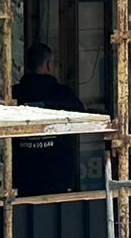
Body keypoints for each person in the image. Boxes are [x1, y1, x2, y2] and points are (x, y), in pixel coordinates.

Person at [10, 43, 86, 195]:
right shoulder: (62, 94)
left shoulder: (14, 94)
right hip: (57, 174)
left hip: (25, 175)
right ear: (48, 65)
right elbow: (82, 115)